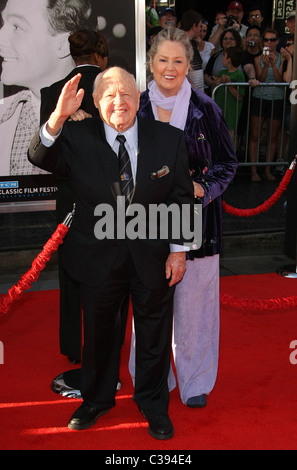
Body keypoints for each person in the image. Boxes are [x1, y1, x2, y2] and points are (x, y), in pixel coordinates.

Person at [28, 67, 195, 438]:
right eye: (109, 95)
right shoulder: (76, 137)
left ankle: (153, 403)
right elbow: (38, 155)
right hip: (97, 256)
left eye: (126, 95)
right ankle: (96, 400)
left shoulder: (168, 139)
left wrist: (178, 252)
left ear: (139, 99)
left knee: (153, 333)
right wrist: (57, 116)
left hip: (152, 256)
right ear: (96, 101)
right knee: (100, 334)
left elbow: (181, 196)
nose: (119, 102)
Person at [128, 27, 238, 408]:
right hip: (148, 222)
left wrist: (203, 188)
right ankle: (152, 375)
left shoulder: (207, 109)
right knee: (150, 303)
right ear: (151, 63)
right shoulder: (135, 107)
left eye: (179, 61)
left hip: (199, 223)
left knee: (196, 307)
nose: (171, 68)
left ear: (190, 64)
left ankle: (194, 381)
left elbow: (227, 164)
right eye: (163, 60)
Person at [39, 30, 109, 369]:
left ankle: (73, 347)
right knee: (110, 278)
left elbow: (43, 154)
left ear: (70, 54)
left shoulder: (53, 93)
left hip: (69, 203)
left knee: (70, 277)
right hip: (112, 201)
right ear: (101, 54)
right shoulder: (116, 89)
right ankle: (104, 347)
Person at [0, 0, 94, 176]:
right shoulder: (4, 113)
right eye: (4, 23)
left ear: (64, 44)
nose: (1, 37)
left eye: (17, 27)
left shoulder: (104, 111)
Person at [249, 28, 285, 182]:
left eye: (272, 40)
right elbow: (261, 79)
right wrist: (265, 65)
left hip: (276, 98)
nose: (269, 43)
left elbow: (278, 80)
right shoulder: (257, 59)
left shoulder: (282, 59)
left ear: (277, 41)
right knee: (255, 135)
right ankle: (254, 171)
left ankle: (268, 169)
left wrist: (273, 65)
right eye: (266, 40)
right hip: (260, 98)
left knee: (273, 135)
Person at [213, 46, 245, 146]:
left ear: (229, 59)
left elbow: (239, 96)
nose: (222, 58)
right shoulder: (222, 72)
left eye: (224, 56)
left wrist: (229, 83)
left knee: (229, 141)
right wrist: (216, 83)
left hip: (231, 115)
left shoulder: (239, 75)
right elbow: (215, 91)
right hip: (219, 113)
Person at [204, 28, 242, 93]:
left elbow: (249, 70)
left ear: (237, 41)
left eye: (231, 39)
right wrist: (215, 84)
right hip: (218, 94)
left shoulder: (243, 55)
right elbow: (206, 76)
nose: (228, 41)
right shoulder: (215, 56)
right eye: (225, 39)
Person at [180, 10, 204, 92]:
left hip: (196, 92)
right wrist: (193, 87)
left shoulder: (192, 42)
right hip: (190, 93)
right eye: (200, 26)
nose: (201, 29)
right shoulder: (182, 43)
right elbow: (180, 69)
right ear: (194, 26)